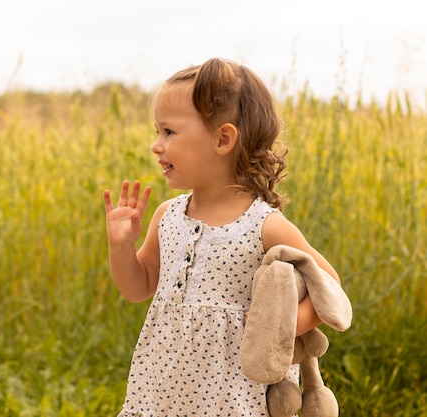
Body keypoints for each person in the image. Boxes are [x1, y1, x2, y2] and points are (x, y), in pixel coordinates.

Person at [103, 57, 342, 416]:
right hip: (163, 390)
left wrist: (281, 327)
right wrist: (121, 246)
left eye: (168, 132)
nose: (156, 145)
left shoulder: (263, 225)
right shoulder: (167, 216)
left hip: (234, 397)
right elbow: (138, 287)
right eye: (157, 132)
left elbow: (330, 286)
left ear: (223, 139)